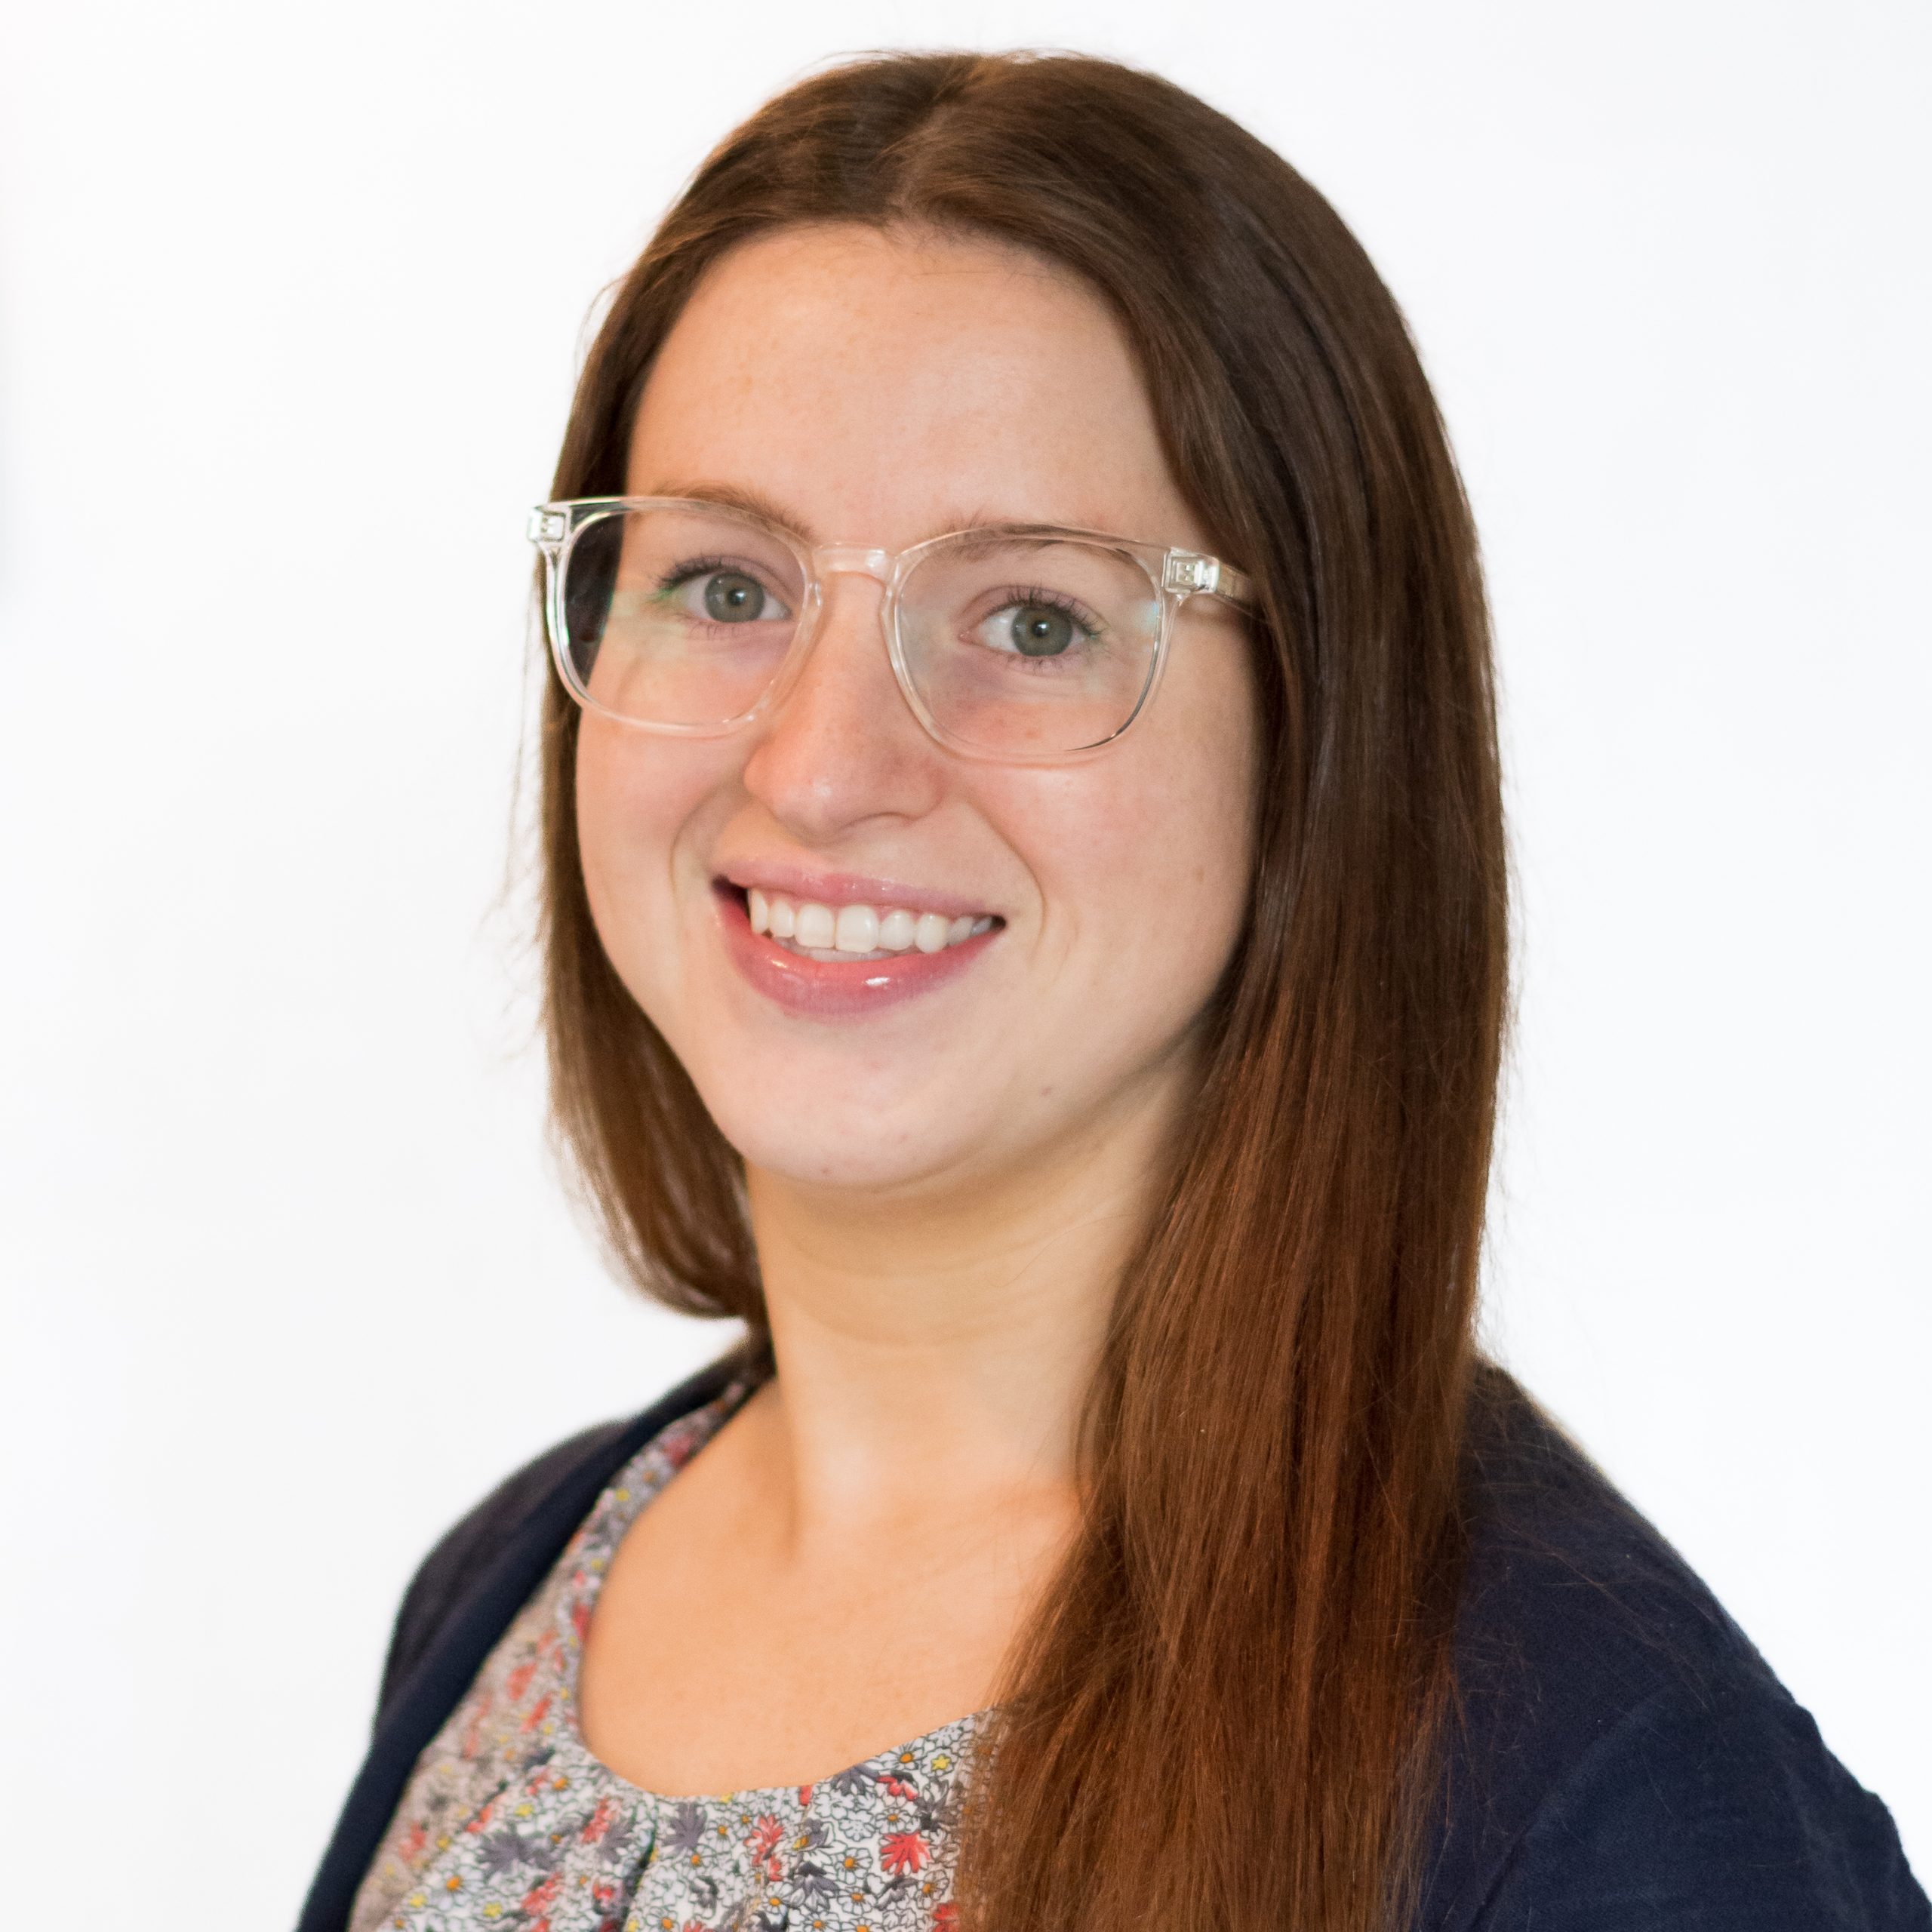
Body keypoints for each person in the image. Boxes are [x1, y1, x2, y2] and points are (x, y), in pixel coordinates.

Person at [298, 50, 1927, 1932]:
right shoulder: (509, 1590)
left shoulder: (1592, 1787)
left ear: (1318, 742)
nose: (821, 766)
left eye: (1035, 619)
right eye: (726, 584)